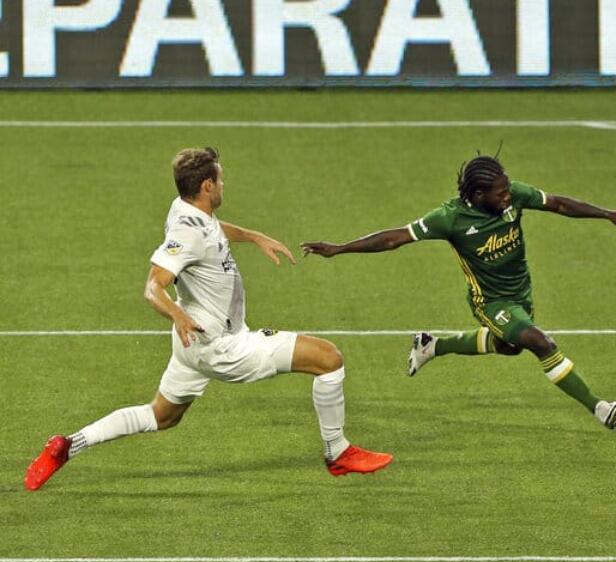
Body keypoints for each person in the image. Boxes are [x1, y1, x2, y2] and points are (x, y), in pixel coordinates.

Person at [24, 147, 392, 491]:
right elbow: (153, 287)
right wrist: (178, 315)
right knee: (329, 359)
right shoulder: (187, 233)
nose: (222, 185)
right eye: (220, 179)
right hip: (223, 346)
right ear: (207, 185)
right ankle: (338, 452)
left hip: (191, 349)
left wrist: (252, 236)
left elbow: (211, 231)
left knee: (162, 416)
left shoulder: (184, 210)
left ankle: (68, 445)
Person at [299, 154, 616, 429]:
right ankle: (599, 407)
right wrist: (340, 248)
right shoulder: (449, 218)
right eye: (501, 192)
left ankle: (432, 345)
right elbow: (394, 238)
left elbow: (558, 204)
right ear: (478, 195)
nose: (508, 194)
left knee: (508, 347)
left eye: (508, 187)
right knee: (541, 343)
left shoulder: (514, 197)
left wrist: (607, 214)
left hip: (521, 293)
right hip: (490, 302)